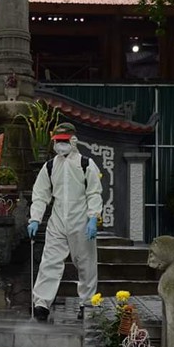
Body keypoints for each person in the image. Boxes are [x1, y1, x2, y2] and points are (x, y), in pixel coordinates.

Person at [27, 122, 103, 321]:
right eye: (57, 141)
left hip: (81, 220)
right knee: (50, 261)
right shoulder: (50, 166)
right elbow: (41, 194)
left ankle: (86, 304)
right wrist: (35, 218)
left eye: (63, 141)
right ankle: (41, 303)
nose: (60, 145)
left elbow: (94, 193)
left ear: (73, 140)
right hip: (58, 220)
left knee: (86, 263)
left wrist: (93, 218)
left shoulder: (86, 164)